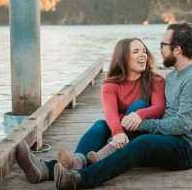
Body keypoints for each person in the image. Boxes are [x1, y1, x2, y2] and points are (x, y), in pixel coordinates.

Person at [15, 23, 192, 190]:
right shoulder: (175, 75)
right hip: (168, 137)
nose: (159, 49)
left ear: (177, 49)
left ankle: (80, 179)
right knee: (104, 126)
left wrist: (142, 124)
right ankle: (47, 169)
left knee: (142, 142)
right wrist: (126, 123)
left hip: (186, 148)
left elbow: (182, 125)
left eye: (164, 45)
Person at [54, 37, 165, 171]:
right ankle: (78, 161)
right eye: (136, 51)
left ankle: (104, 153)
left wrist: (139, 114)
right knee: (101, 124)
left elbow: (159, 108)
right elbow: (110, 113)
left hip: (143, 136)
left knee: (139, 105)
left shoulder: (155, 80)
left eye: (144, 51)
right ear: (123, 57)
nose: (143, 54)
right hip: (120, 135)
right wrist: (117, 131)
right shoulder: (110, 85)